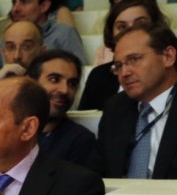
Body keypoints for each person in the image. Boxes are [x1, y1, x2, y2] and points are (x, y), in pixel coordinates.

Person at [88, 23, 177, 179]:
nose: (124, 73)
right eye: (118, 65)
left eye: (134, 59)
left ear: (168, 57)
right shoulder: (115, 108)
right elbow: (96, 175)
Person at [79, 0, 162, 110]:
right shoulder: (99, 77)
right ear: (111, 34)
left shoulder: (170, 70)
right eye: (122, 27)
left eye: (141, 24)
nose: (130, 32)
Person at [29, 50, 95, 165]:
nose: (64, 90)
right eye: (54, 79)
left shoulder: (80, 141)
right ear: (30, 83)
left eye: (72, 84)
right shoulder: (11, 130)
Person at [0, 0, 86, 69]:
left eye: (25, 2)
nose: (15, 9)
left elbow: (79, 71)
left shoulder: (64, 33)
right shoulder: (10, 35)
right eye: (14, 2)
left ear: (44, 6)